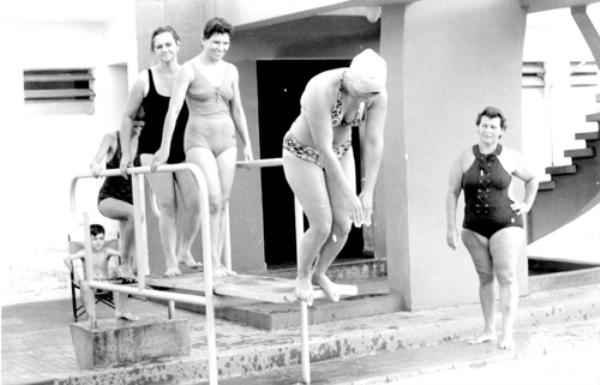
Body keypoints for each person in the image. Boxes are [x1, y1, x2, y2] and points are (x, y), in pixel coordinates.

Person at [281, 49, 388, 305]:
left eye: (370, 93)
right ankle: (303, 275)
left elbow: (373, 142)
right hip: (303, 151)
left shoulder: (377, 95)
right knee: (322, 224)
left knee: (344, 225)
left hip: (341, 151)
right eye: (360, 91)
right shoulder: (321, 88)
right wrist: (351, 195)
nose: (365, 97)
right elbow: (323, 148)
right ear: (349, 77)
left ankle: (320, 273)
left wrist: (368, 191)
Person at [151, 17, 254, 278]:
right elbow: (173, 111)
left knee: (223, 202)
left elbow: (238, 109)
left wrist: (248, 144)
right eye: (216, 42)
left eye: (225, 43)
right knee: (213, 199)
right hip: (199, 140)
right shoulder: (189, 69)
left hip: (227, 140)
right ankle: (210, 261)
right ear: (204, 40)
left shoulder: (231, 70)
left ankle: (218, 262)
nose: (220, 47)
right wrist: (164, 149)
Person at [446, 106, 539, 350]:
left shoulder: (510, 156)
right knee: (485, 277)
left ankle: (507, 333)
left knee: (506, 276)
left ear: (501, 132)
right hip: (473, 227)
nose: (488, 131)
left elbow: (532, 178)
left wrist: (526, 204)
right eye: (485, 125)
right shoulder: (463, 157)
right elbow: (452, 193)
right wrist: (451, 228)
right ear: (478, 127)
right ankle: (489, 330)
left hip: (505, 224)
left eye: (494, 127)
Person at [120, 26, 201, 277]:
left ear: (178, 44)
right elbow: (127, 116)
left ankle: (184, 250)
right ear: (154, 51)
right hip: (152, 148)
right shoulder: (145, 79)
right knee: (167, 205)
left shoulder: (189, 74)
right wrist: (125, 153)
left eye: (169, 44)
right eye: (159, 46)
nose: (165, 50)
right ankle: (170, 263)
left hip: (183, 147)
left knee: (196, 203)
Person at [92, 123, 142, 281]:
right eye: (135, 122)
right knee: (136, 214)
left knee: (135, 259)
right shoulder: (112, 138)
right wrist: (95, 166)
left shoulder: (142, 140)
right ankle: (124, 264)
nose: (139, 127)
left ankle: (126, 273)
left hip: (129, 200)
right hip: (109, 197)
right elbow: (96, 160)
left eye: (142, 123)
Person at [64, 224, 138, 322]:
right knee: (85, 286)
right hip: (90, 284)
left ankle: (121, 311)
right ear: (88, 240)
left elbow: (125, 255)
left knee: (123, 279)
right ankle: (92, 318)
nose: (98, 242)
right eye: (94, 239)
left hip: (106, 284)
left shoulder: (106, 251)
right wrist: (76, 274)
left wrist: (126, 266)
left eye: (101, 238)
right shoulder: (85, 252)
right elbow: (67, 259)